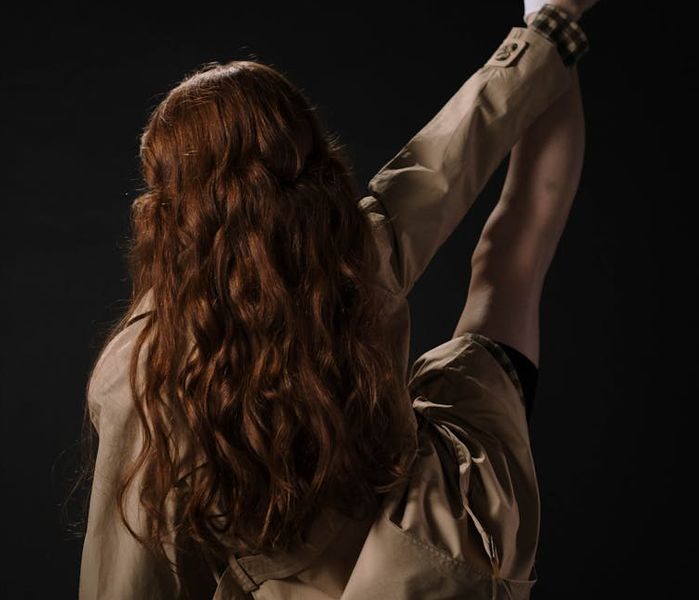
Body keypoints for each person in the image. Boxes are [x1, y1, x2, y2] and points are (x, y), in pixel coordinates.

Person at [76, 1, 599, 598]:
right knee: (510, 265)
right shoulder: (354, 252)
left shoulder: (141, 370)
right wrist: (545, 29)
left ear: (167, 209)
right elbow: (446, 158)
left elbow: (130, 572)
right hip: (434, 548)